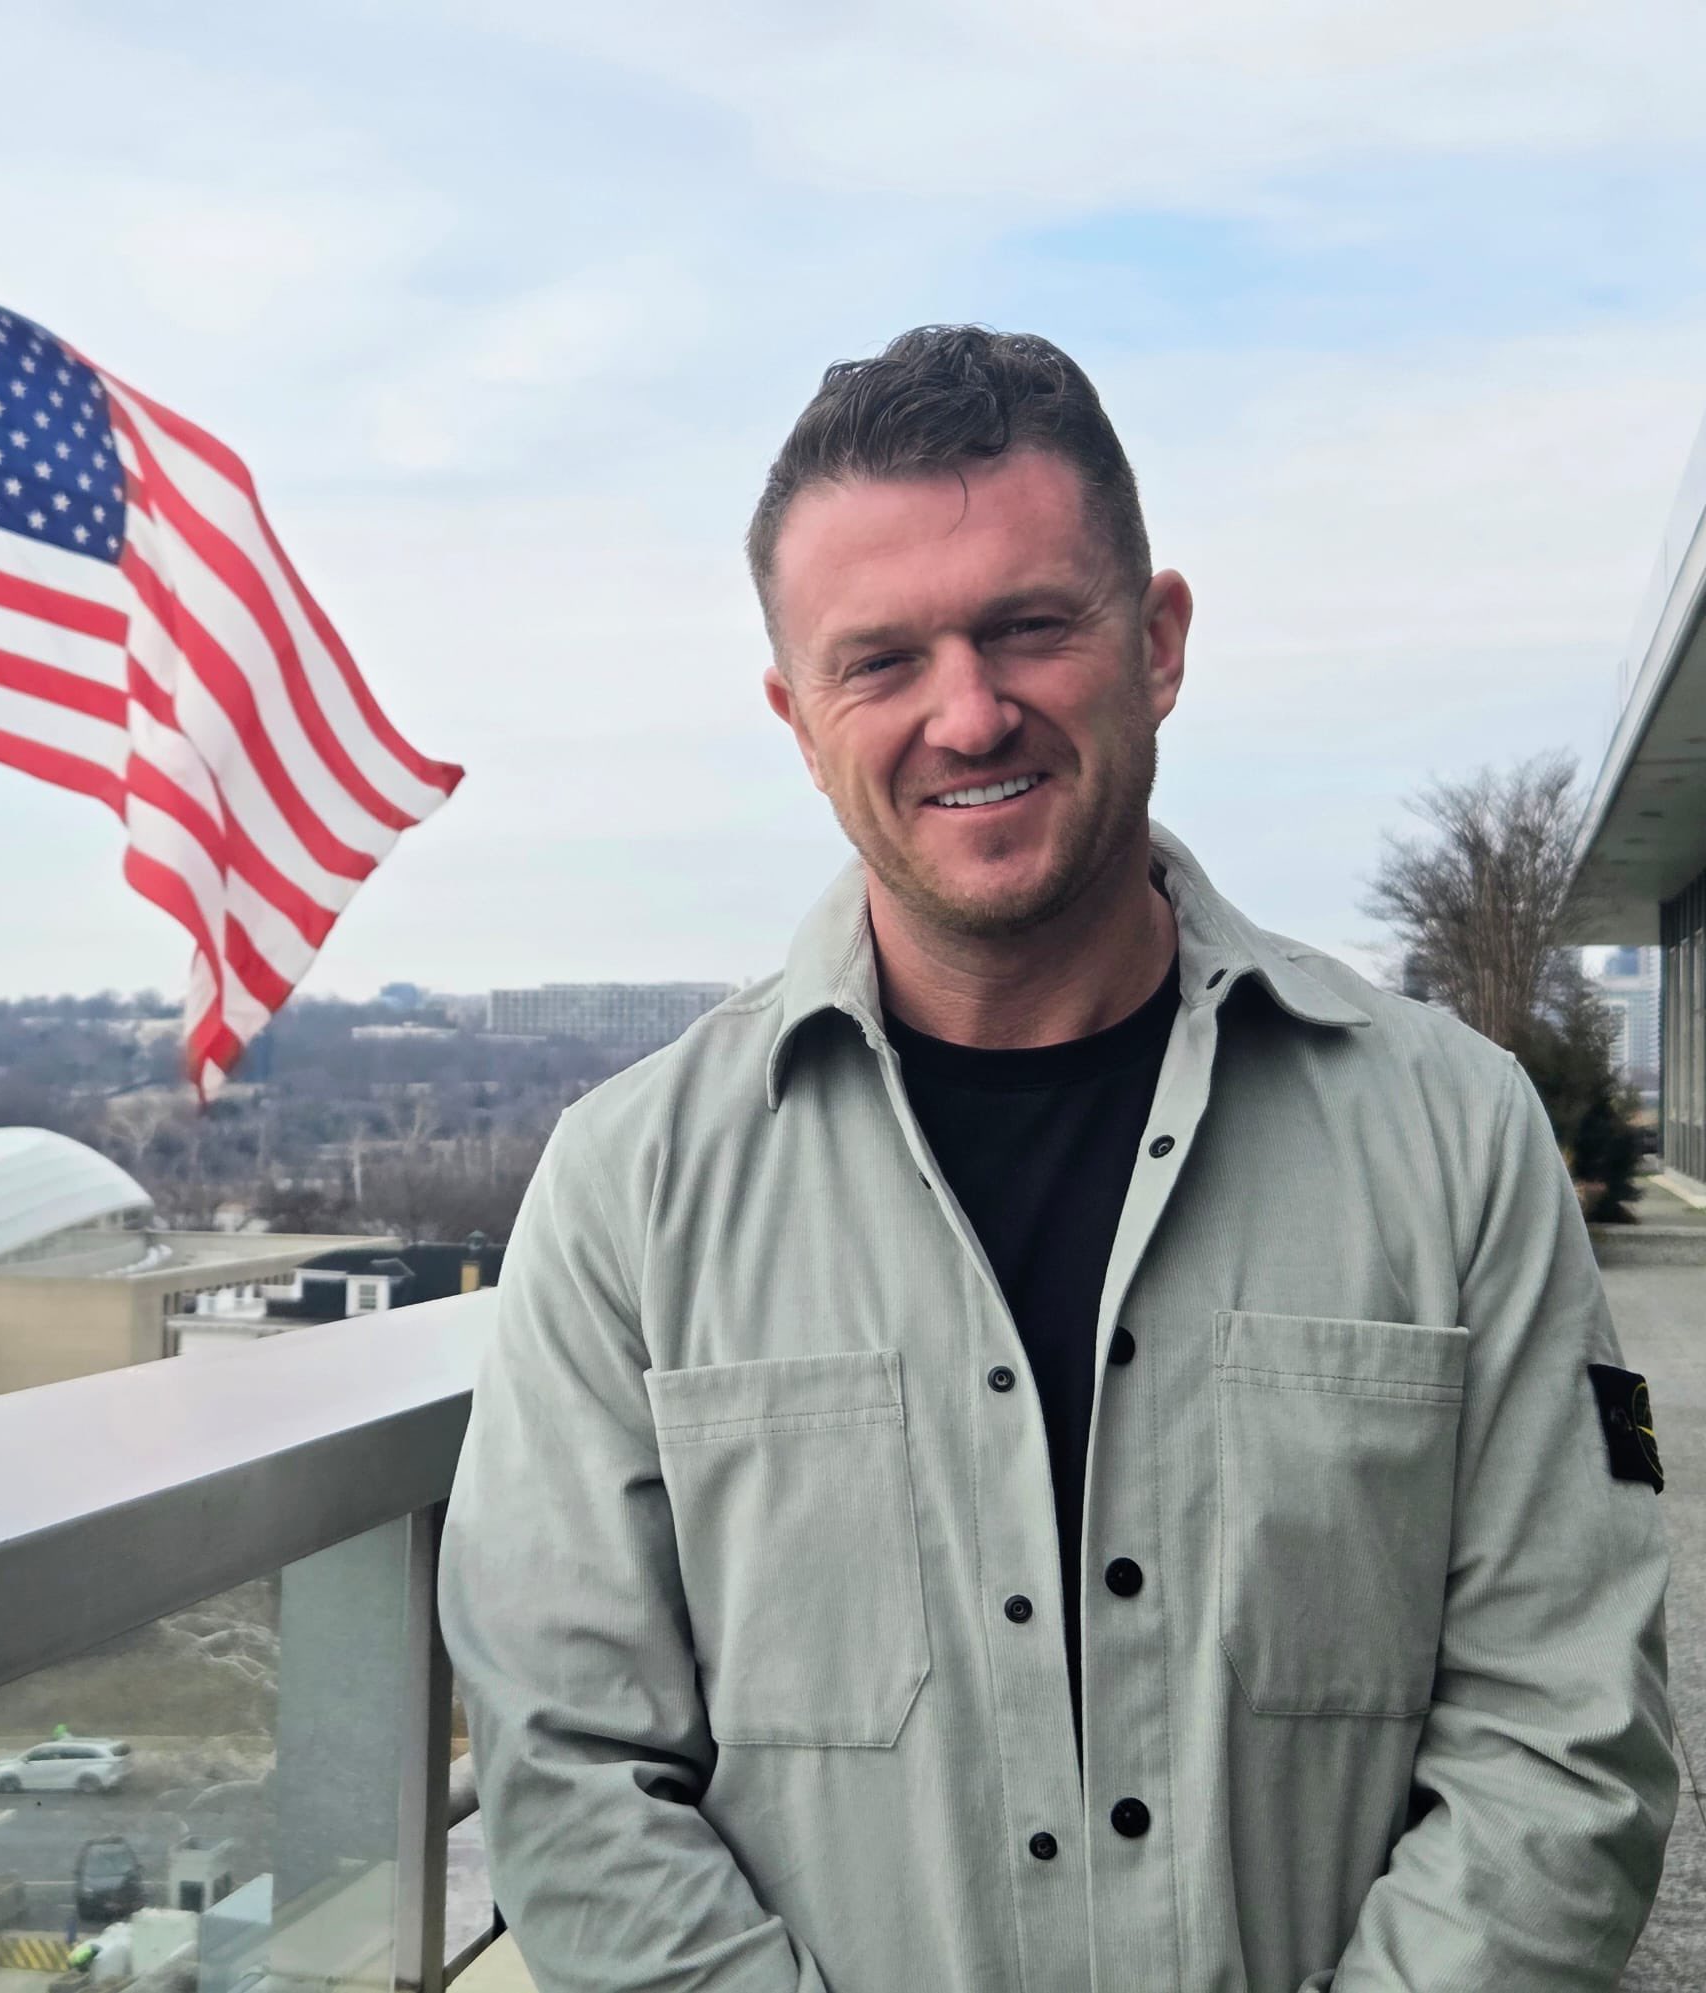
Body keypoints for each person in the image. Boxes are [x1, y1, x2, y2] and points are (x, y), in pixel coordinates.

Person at [439, 326, 1677, 1990]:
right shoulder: (628, 1194)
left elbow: (1564, 1733)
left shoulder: (1456, 1139)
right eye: (879, 661)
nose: (967, 711)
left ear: (1156, 642)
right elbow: (568, 1770)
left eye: (1029, 625)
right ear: (799, 717)